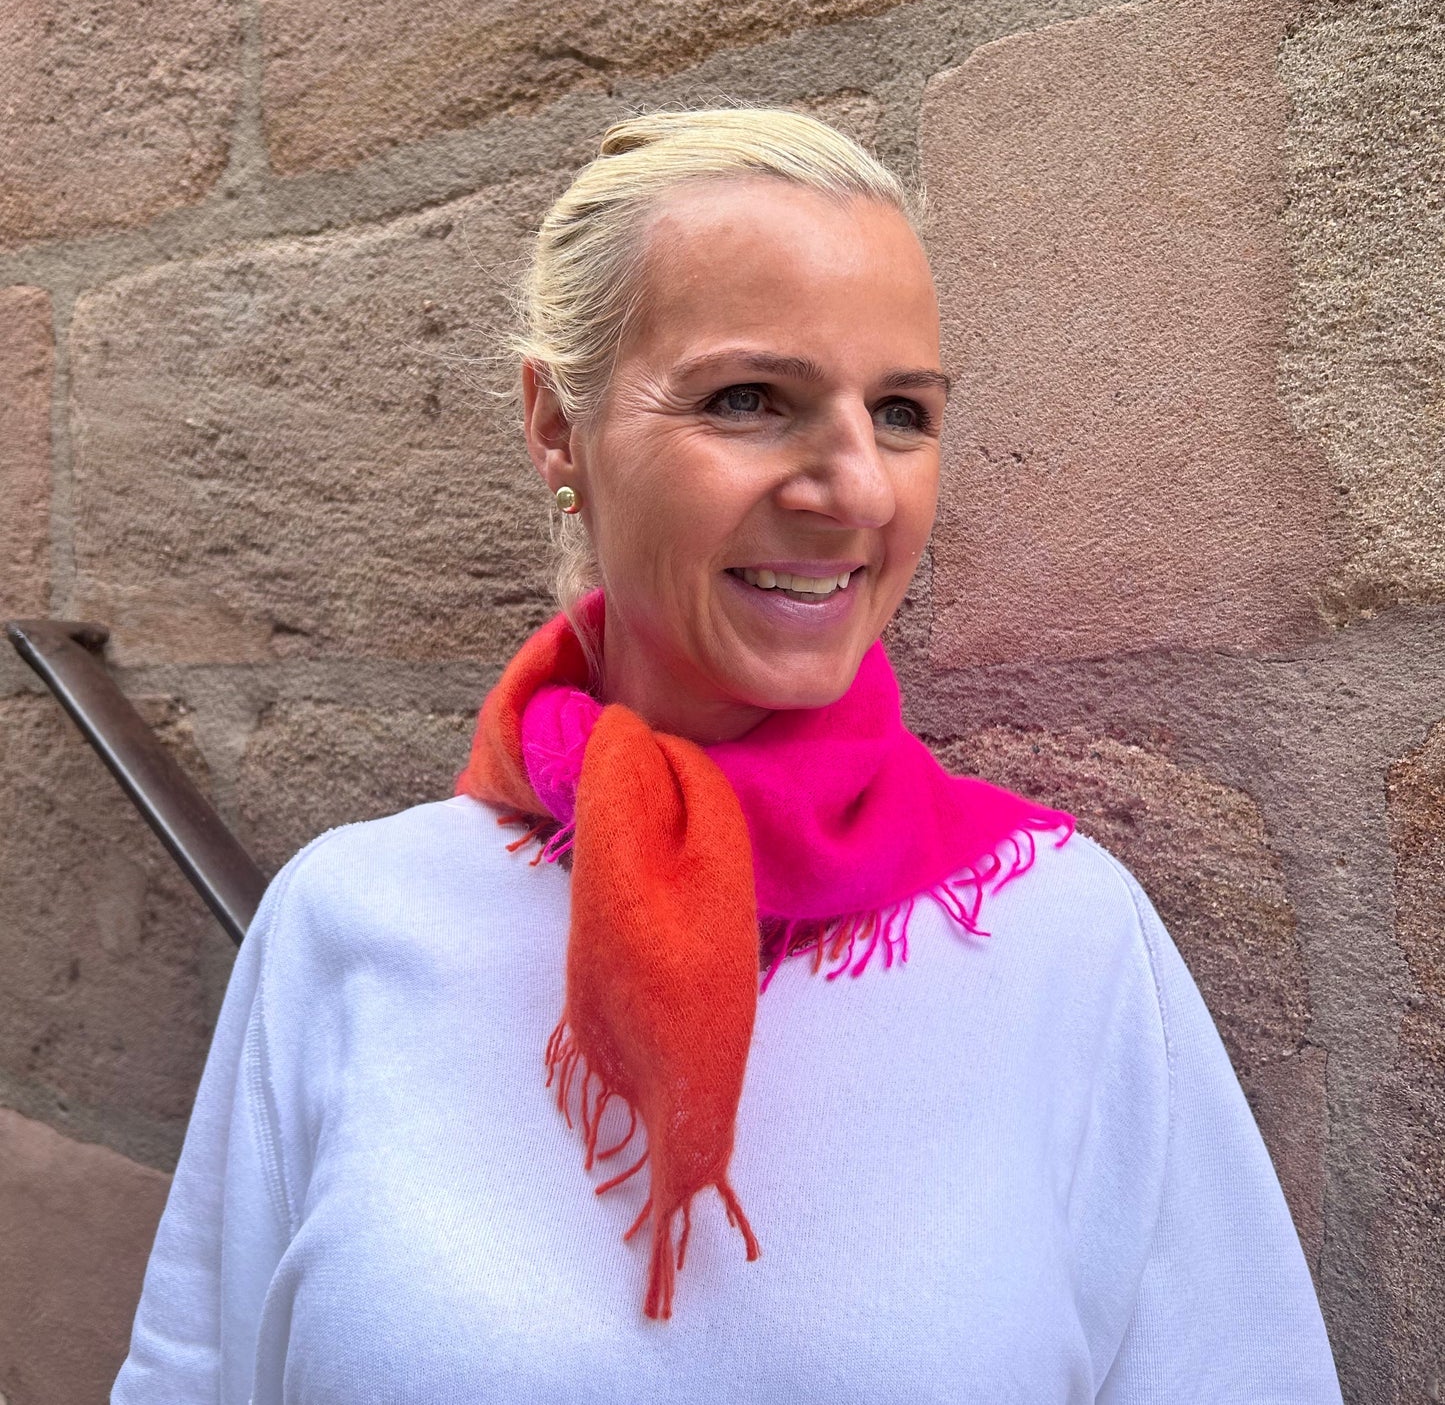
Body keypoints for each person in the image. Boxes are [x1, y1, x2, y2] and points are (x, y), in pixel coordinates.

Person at [112, 108, 1343, 1403]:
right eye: (749, 400)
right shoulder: (345, 921)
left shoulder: (1068, 940)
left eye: (902, 412)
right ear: (556, 426)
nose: (858, 489)